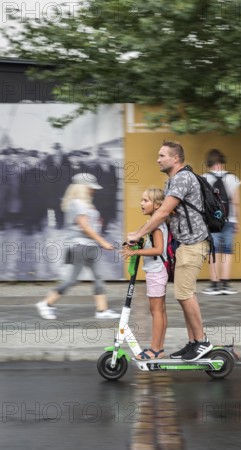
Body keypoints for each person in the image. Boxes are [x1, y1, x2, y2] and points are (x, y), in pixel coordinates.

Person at [127, 140, 212, 361]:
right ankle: (194, 342)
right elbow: (162, 217)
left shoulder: (183, 178)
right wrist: (139, 235)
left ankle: (202, 342)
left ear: (175, 158)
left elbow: (163, 212)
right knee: (185, 294)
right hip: (184, 246)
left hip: (193, 244)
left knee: (184, 294)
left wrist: (138, 235)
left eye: (162, 155)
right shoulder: (172, 181)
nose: (158, 159)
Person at [36, 173, 119, 320]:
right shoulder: (78, 203)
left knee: (98, 277)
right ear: (82, 187)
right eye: (90, 187)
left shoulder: (83, 203)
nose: (93, 190)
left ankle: (102, 310)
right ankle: (46, 303)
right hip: (80, 245)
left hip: (88, 245)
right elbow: (85, 227)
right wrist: (103, 242)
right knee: (72, 279)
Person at [121, 188, 168, 359]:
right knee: (159, 310)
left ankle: (155, 350)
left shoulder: (156, 227)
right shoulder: (153, 224)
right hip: (156, 271)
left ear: (157, 205)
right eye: (141, 200)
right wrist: (133, 245)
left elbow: (158, 249)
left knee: (156, 311)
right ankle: (159, 348)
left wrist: (135, 253)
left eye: (146, 201)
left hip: (156, 272)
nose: (141, 203)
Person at [201, 149, 241, 295]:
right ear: (222, 162)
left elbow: (202, 203)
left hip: (213, 221)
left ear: (210, 163)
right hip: (230, 220)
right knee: (227, 252)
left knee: (214, 251)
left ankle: (214, 285)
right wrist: (237, 221)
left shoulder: (204, 178)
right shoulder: (233, 178)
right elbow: (236, 202)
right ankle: (226, 285)